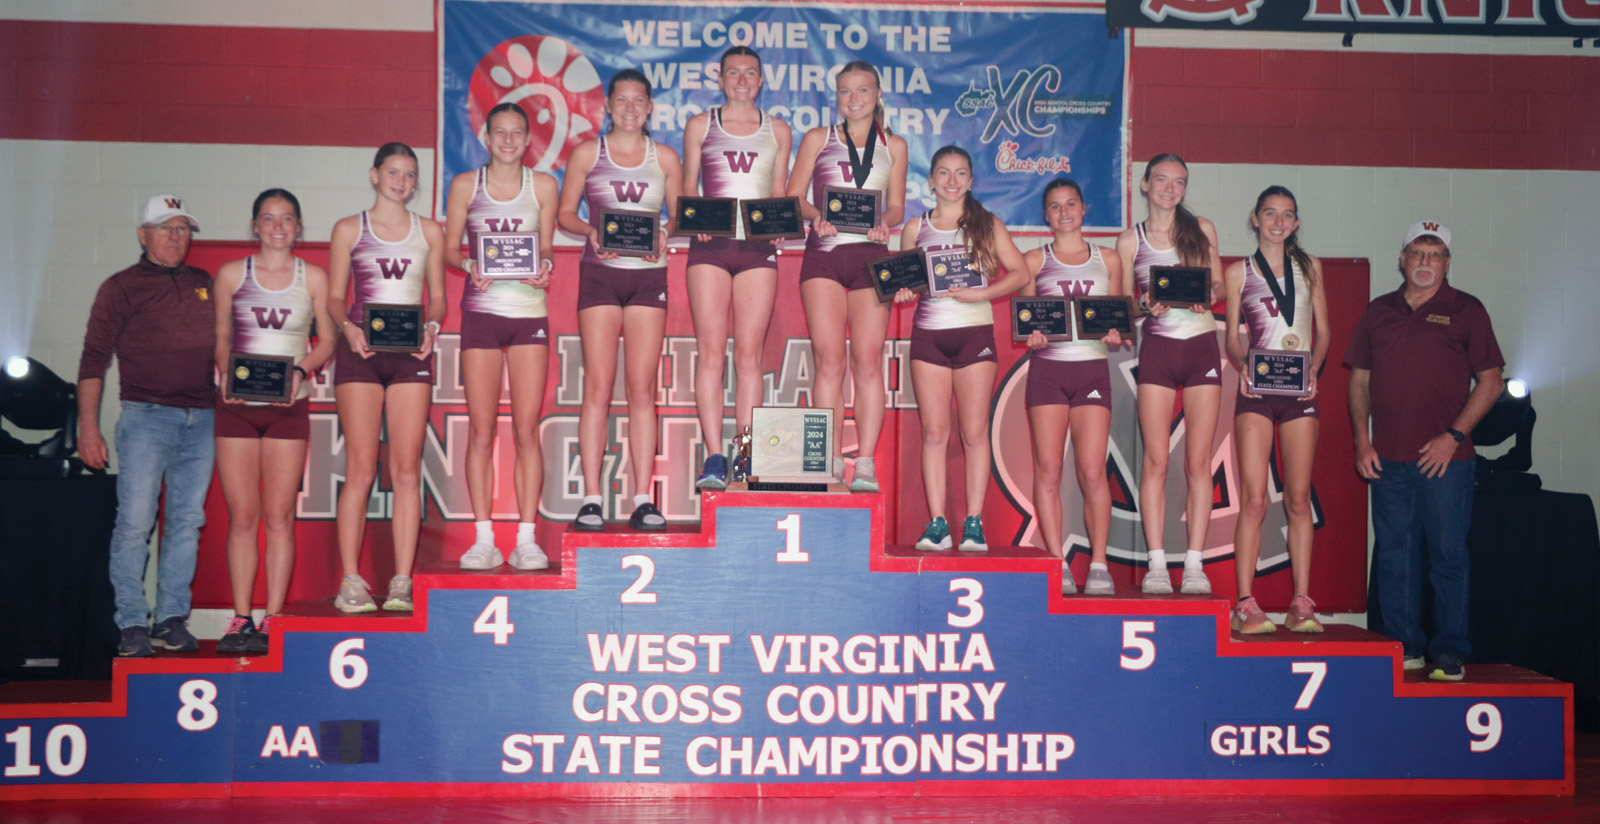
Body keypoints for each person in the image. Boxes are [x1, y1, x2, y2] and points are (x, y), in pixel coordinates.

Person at [1345, 220, 1503, 682]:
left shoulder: (1467, 309)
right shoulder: (1378, 310)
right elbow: (1359, 380)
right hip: (1387, 459)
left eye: (1435, 254)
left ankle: (1450, 652)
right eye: (1417, 252)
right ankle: (1405, 647)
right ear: (1403, 259)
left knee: (1448, 556)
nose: (1425, 262)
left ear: (1447, 262)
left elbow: (1491, 382)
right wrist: (1361, 440)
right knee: (1394, 556)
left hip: (1447, 461)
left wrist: (1453, 436)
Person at [78, 194, 216, 657]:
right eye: (164, 228)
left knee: (187, 522)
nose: (175, 237)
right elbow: (93, 359)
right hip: (146, 418)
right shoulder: (119, 288)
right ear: (143, 235)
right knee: (135, 524)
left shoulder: (205, 283)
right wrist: (88, 427)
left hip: (204, 419)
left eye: (182, 228)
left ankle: (171, 618)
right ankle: (133, 623)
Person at [557, 69, 682, 531]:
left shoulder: (664, 157)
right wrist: (591, 231)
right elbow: (565, 214)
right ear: (608, 106)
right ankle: (591, 498)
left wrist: (664, 233)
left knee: (642, 391)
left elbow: (680, 215)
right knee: (598, 387)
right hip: (600, 275)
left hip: (648, 276)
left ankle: (642, 499)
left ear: (649, 107)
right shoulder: (588, 153)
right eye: (622, 100)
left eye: (638, 100)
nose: (630, 108)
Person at [212, 189, 335, 653]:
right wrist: (225, 372)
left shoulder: (314, 277)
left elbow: (328, 341)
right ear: (254, 225)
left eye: (286, 219)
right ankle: (241, 618)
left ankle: (274, 619)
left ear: (298, 226)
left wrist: (301, 371)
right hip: (237, 408)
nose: (277, 227)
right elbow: (222, 336)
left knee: (279, 517)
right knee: (243, 517)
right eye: (268, 218)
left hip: (288, 408)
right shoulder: (231, 274)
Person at [325, 143, 447, 613]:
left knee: (406, 470)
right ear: (375, 175)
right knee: (360, 470)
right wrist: (348, 328)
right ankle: (351, 582)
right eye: (393, 172)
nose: (401, 182)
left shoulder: (429, 231)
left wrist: (431, 328)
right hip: (361, 352)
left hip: (410, 355)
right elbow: (334, 297)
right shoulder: (348, 228)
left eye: (410, 175)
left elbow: (438, 298)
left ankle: (401, 581)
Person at [443, 102, 559, 571]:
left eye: (516, 133)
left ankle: (526, 539)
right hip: (481, 314)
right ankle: (484, 539)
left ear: (528, 139)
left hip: (528, 313)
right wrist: (468, 263)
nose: (508, 140)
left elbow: (545, 246)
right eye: (500, 133)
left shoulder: (543, 185)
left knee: (528, 429)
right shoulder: (465, 185)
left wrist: (545, 265)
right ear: (486, 138)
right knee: (482, 430)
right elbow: (450, 248)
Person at [897, 146, 1030, 552]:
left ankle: (974, 523)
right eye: (943, 172)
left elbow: (1021, 272)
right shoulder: (914, 228)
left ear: (971, 181)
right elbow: (904, 280)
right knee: (934, 433)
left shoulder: (987, 224)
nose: (951, 181)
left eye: (960, 173)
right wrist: (904, 291)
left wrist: (981, 294)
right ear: (931, 180)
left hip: (975, 336)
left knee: (973, 433)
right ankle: (937, 523)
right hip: (929, 337)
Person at [787, 60, 908, 492]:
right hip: (824, 254)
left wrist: (885, 224)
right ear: (836, 97)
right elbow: (793, 195)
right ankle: (831, 458)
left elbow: (897, 205)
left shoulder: (894, 145)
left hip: (871, 259)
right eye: (845, 91)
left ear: (877, 95)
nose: (854, 99)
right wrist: (816, 215)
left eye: (862, 90)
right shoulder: (818, 138)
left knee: (868, 361)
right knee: (829, 362)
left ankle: (867, 463)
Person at [683, 46, 793, 489]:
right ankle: (714, 456)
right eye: (734, 72)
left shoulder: (778, 129)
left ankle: (745, 454)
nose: (742, 80)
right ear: (721, 79)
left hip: (756, 249)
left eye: (750, 73)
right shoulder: (700, 125)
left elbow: (779, 192)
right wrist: (694, 218)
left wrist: (780, 224)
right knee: (711, 354)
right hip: (710, 247)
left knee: (749, 358)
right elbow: (688, 189)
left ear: (761, 80)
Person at [1222, 186, 1330, 634]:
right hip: (1257, 391)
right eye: (1270, 213)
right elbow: (1232, 336)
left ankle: (1300, 602)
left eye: (1287, 215)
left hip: (1300, 391)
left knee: (1299, 498)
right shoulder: (1238, 272)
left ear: (1296, 222)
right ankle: (1245, 603)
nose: (1278, 222)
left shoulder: (1311, 267)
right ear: (1255, 218)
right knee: (1253, 498)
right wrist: (1243, 364)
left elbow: (1323, 332)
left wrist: (1315, 370)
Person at [1116, 153, 1224, 596]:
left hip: (1201, 348)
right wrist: (1144, 304)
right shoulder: (1130, 240)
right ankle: (1157, 563)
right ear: (1145, 184)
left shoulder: (1202, 228)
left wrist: (1207, 296)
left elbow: (1219, 285)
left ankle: (1195, 563)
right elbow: (1122, 304)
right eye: (1161, 180)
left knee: (1198, 462)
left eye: (1179, 182)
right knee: (1156, 461)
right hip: (1158, 350)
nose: (1170, 189)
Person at [1020, 179, 1126, 595]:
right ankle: (1056, 562)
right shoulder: (1033, 260)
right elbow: (1026, 320)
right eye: (1055, 206)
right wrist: (1031, 337)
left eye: (1070, 204)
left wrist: (1116, 334)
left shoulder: (1109, 259)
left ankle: (1098, 565)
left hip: (1091, 372)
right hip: (1048, 371)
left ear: (1084, 209)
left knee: (1093, 471)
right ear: (1045, 215)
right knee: (1048, 470)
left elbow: (1117, 318)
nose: (1064, 212)